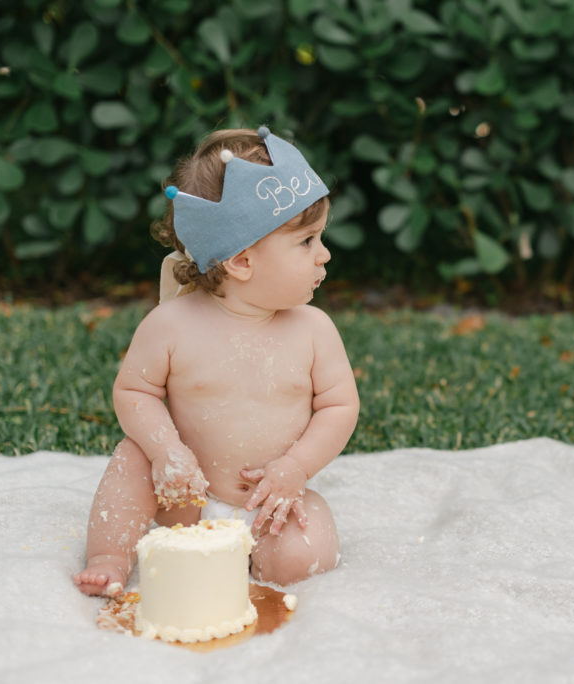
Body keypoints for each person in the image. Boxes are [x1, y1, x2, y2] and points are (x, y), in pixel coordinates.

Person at [73, 126, 359, 595]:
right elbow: (134, 392)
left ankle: (261, 557)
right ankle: (111, 554)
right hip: (183, 494)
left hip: (266, 500)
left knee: (303, 555)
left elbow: (339, 407)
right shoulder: (171, 325)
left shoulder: (313, 330)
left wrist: (296, 468)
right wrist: (166, 450)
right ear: (242, 262)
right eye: (306, 241)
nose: (324, 255)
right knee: (132, 459)